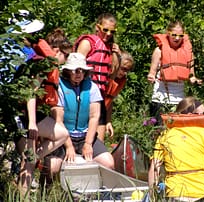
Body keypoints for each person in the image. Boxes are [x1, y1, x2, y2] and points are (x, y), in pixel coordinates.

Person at [11, 15, 70, 195]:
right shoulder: (42, 64)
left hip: (23, 114)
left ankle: (23, 195)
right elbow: (31, 92)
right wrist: (32, 123)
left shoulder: (36, 58)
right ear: (56, 51)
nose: (66, 60)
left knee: (27, 162)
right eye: (66, 55)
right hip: (24, 115)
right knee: (61, 134)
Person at [42, 53, 115, 186]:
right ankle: (46, 191)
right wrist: (68, 146)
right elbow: (58, 119)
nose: (78, 73)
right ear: (68, 71)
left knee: (108, 163)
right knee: (52, 166)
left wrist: (88, 144)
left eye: (82, 70)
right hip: (63, 137)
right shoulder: (59, 87)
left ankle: (100, 193)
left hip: (85, 136)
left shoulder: (92, 87)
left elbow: (94, 117)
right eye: (75, 70)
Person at [148, 96, 204, 202]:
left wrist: (152, 198)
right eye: (202, 114)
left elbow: (154, 170)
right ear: (190, 115)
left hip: (175, 194)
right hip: (203, 195)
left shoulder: (165, 135)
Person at [74, 13, 120, 144]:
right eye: (105, 30)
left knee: (99, 140)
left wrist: (116, 54)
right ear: (97, 27)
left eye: (112, 31)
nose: (108, 34)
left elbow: (113, 73)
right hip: (85, 93)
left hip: (100, 96)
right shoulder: (88, 43)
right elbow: (75, 67)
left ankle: (96, 159)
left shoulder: (110, 48)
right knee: (82, 134)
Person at [147, 21, 202, 125]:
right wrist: (151, 77)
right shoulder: (159, 51)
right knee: (159, 131)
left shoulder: (189, 53)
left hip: (179, 101)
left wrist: (195, 81)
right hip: (160, 98)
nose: (177, 38)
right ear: (168, 34)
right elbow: (151, 73)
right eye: (174, 35)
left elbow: (191, 76)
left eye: (180, 35)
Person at [99, 50, 134, 141]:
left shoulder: (121, 81)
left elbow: (110, 102)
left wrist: (108, 121)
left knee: (99, 142)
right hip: (91, 114)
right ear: (117, 64)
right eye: (123, 69)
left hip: (101, 115)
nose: (125, 73)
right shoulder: (104, 77)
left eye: (128, 70)